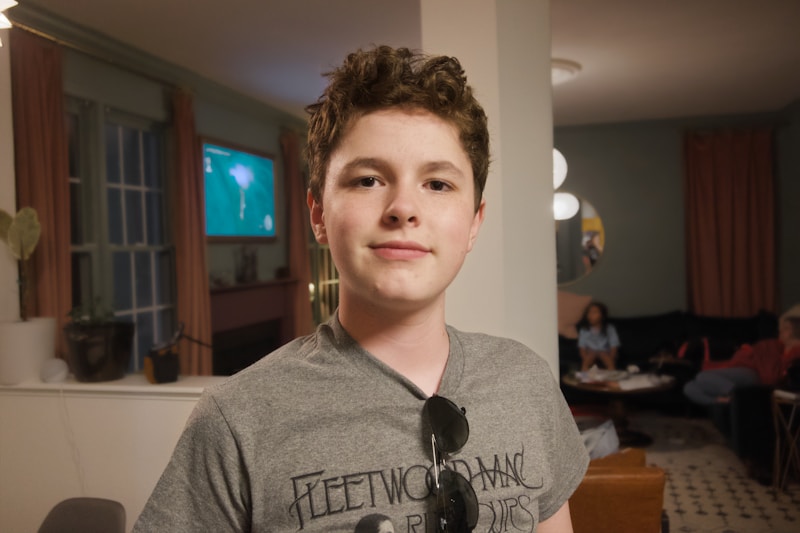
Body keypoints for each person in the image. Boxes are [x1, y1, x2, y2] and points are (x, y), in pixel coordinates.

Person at [133, 45, 588, 532]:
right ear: (318, 214)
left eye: (437, 184)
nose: (402, 209)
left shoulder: (526, 383)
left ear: (475, 222)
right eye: (368, 179)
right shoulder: (237, 420)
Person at [683, 304, 800, 406]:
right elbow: (759, 351)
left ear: (792, 331)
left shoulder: (796, 350)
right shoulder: (776, 344)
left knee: (702, 376)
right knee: (689, 387)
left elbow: (774, 374)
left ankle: (739, 396)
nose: (780, 331)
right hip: (747, 367)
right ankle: (721, 401)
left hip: (755, 373)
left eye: (785, 328)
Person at [577, 301, 620, 371]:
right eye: (589, 312)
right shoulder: (584, 330)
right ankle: (584, 372)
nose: (590, 315)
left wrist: (611, 358)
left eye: (594, 313)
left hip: (605, 353)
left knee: (603, 355)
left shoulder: (609, 328)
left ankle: (611, 371)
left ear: (602, 315)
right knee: (591, 355)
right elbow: (582, 348)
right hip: (590, 353)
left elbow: (614, 346)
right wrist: (585, 359)